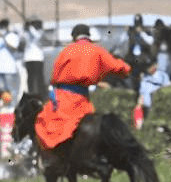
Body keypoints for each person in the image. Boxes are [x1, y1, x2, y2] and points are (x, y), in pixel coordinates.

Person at [34, 24, 131, 152]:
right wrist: (127, 69)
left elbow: (54, 75)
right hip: (83, 101)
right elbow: (118, 67)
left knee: (44, 124)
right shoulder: (98, 50)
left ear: (74, 37)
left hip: (64, 99)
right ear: (88, 36)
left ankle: (50, 159)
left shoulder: (67, 50)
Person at [22, 17, 46, 97]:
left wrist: (31, 27)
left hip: (38, 58)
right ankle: (31, 94)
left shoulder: (40, 32)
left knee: (39, 78)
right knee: (30, 78)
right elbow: (22, 38)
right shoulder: (27, 33)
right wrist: (26, 28)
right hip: (28, 58)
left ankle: (41, 95)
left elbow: (37, 36)